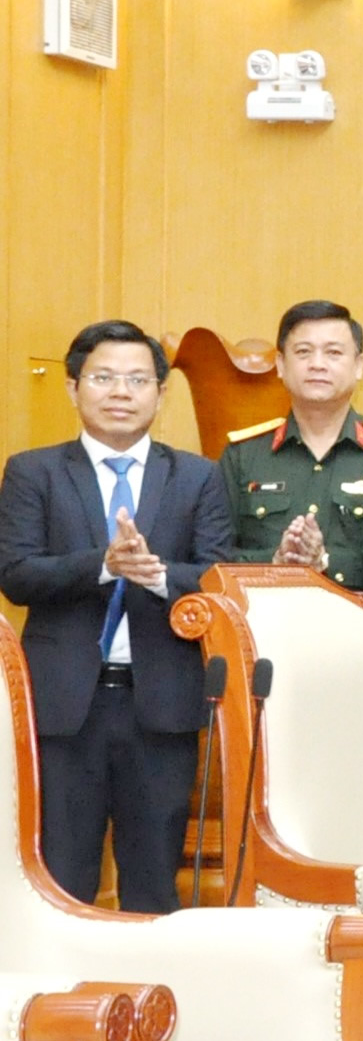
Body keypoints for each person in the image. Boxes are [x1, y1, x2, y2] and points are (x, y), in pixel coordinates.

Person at [0, 321, 232, 911]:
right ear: (74, 387)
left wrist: (155, 575)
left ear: (159, 392)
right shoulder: (34, 472)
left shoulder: (199, 476)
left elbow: (218, 575)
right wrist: (103, 565)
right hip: (64, 708)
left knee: (154, 877)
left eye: (138, 379)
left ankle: (150, 997)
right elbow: (17, 574)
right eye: (104, 378)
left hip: (162, 704)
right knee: (63, 875)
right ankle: (65, 998)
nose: (121, 392)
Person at [221, 300, 363, 586]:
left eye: (333, 352)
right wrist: (275, 561)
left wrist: (323, 561)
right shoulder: (243, 455)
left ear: (359, 366)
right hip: (266, 622)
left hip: (362, 623)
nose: (318, 364)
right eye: (303, 352)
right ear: (281, 365)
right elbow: (215, 555)